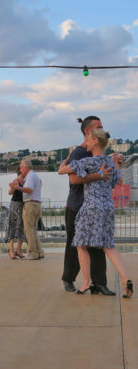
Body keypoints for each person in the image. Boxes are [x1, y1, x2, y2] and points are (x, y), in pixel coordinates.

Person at [58, 128, 133, 298]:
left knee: (80, 245)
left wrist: (66, 160)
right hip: (107, 207)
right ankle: (125, 279)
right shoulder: (108, 161)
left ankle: (86, 283)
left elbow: (61, 171)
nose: (87, 143)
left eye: (89, 139)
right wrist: (116, 166)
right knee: (108, 246)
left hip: (91, 208)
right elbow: (118, 181)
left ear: (96, 142)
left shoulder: (88, 162)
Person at [60, 116, 115, 295]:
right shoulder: (79, 153)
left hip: (94, 207)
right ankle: (68, 279)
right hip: (77, 206)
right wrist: (99, 175)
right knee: (75, 245)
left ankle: (100, 284)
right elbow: (74, 179)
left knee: (96, 245)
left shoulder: (98, 153)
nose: (103, 129)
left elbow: (111, 178)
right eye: (99, 126)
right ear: (88, 131)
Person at [12, 159, 44, 260]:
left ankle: (32, 253)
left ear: (26, 167)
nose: (20, 169)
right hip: (37, 204)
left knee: (28, 230)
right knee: (33, 230)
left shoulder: (30, 176)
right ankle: (39, 252)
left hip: (30, 204)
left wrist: (18, 188)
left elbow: (29, 189)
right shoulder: (35, 175)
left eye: (21, 167)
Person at [4, 168, 25, 259]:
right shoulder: (16, 181)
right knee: (12, 227)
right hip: (15, 204)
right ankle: (11, 251)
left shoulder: (26, 181)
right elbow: (10, 193)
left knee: (22, 228)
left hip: (23, 205)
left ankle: (18, 250)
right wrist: (13, 187)